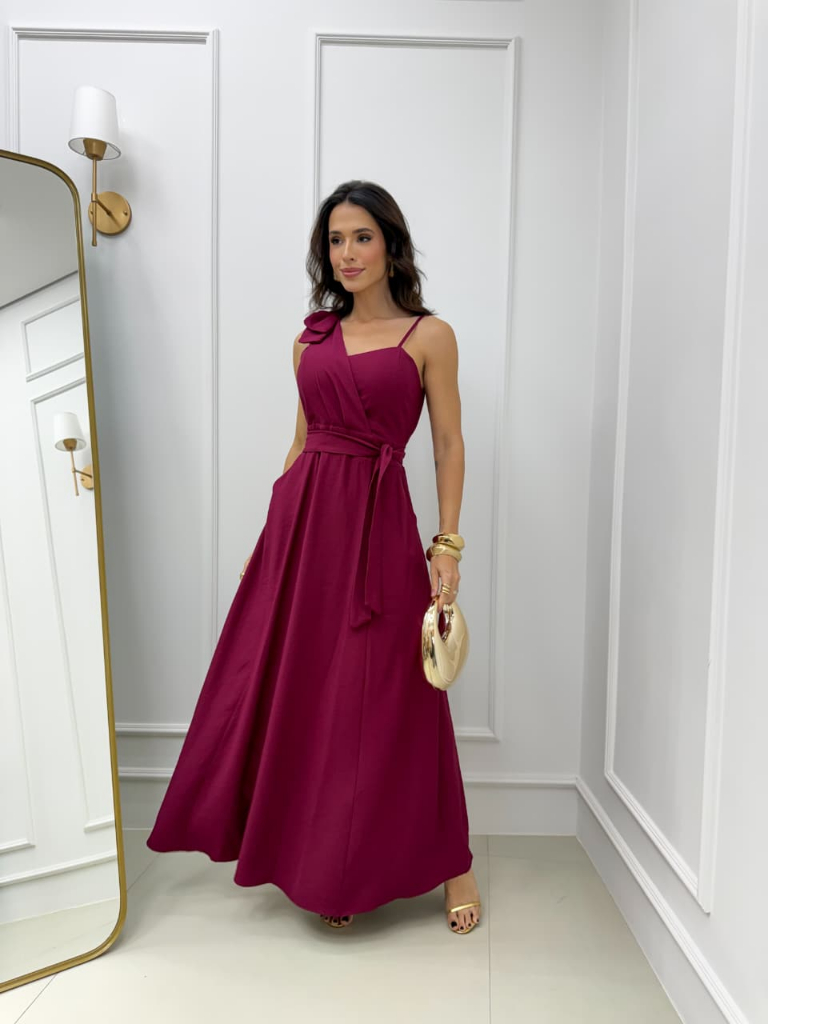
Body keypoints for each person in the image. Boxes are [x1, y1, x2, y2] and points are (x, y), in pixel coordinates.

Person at [146, 180, 482, 935]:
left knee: (397, 693)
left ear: (390, 245)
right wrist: (270, 542)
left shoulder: (429, 335)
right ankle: (331, 864)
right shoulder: (310, 341)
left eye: (362, 237)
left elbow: (448, 443)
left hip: (378, 527)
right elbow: (299, 447)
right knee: (311, 694)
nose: (347, 253)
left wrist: (447, 544)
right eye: (335, 240)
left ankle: (453, 862)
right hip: (305, 530)